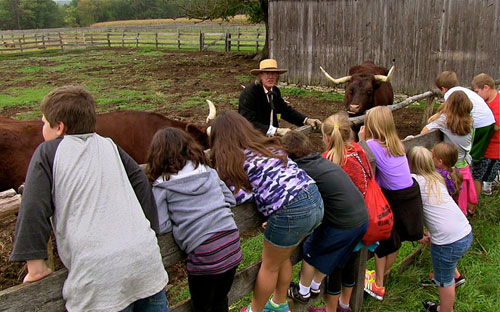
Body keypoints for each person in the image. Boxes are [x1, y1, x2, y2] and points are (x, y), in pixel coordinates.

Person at [9, 86, 169, 312]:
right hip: (146, 263)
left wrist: (35, 265)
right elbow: (141, 183)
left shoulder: (48, 152)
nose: (42, 127)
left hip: (99, 278)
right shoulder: (109, 145)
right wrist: (149, 231)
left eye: (44, 122)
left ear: (59, 128)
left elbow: (34, 206)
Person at [209, 111, 324, 312]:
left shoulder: (235, 159)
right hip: (315, 199)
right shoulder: (270, 145)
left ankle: (255, 310)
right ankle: (279, 303)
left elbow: (240, 197)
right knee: (283, 257)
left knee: (269, 266)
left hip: (291, 211)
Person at [145, 128, 242, 312]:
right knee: (220, 299)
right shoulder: (208, 171)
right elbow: (230, 199)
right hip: (232, 243)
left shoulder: (161, 185)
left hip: (204, 252)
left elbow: (163, 225)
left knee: (202, 306)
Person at [281, 130, 368, 312]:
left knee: (311, 249)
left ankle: (303, 292)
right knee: (333, 254)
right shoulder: (319, 160)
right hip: (361, 217)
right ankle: (314, 285)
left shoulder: (301, 170)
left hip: (343, 222)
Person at [302, 112, 375, 312]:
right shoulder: (359, 150)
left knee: (334, 267)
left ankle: (330, 309)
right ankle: (345, 304)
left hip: (341, 223)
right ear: (349, 133)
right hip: (362, 217)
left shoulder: (328, 159)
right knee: (349, 263)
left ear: (326, 137)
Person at [359, 106, 424, 301]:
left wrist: (361, 139)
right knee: (397, 241)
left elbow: (358, 158)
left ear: (372, 124)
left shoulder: (370, 145)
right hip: (410, 194)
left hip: (394, 198)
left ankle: (378, 284)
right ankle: (380, 279)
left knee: (384, 241)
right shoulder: (396, 143)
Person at [407, 147, 472, 312]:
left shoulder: (413, 181)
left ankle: (445, 309)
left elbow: (411, 210)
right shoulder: (436, 177)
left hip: (449, 241)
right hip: (464, 231)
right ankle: (455, 276)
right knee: (447, 265)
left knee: (444, 281)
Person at [434, 71, 496, 209]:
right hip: (488, 122)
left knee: (471, 161)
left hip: (479, 125)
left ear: (443, 89)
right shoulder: (461, 90)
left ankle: (467, 200)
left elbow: (448, 110)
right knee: (472, 159)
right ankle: (470, 199)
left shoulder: (451, 94)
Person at [421, 91, 475, 216]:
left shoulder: (445, 121)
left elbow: (425, 131)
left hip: (451, 165)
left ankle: (453, 215)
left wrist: (438, 114)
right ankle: (465, 211)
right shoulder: (470, 120)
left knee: (449, 196)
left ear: (448, 105)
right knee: (459, 194)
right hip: (464, 163)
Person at [239, 58, 322, 137]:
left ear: (277, 76)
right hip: (252, 139)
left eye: (273, 74)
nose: (270, 77)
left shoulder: (275, 91)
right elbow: (247, 122)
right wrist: (276, 131)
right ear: (260, 76)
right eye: (267, 73)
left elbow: (285, 111)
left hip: (271, 139)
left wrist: (306, 120)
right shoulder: (250, 93)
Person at [471, 73, 500, 196]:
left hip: (492, 150)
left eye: (477, 92)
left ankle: (476, 203)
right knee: (478, 176)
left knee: (479, 178)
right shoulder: (486, 102)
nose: (476, 95)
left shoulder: (498, 104)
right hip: (485, 147)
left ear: (486, 87)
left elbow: (496, 126)